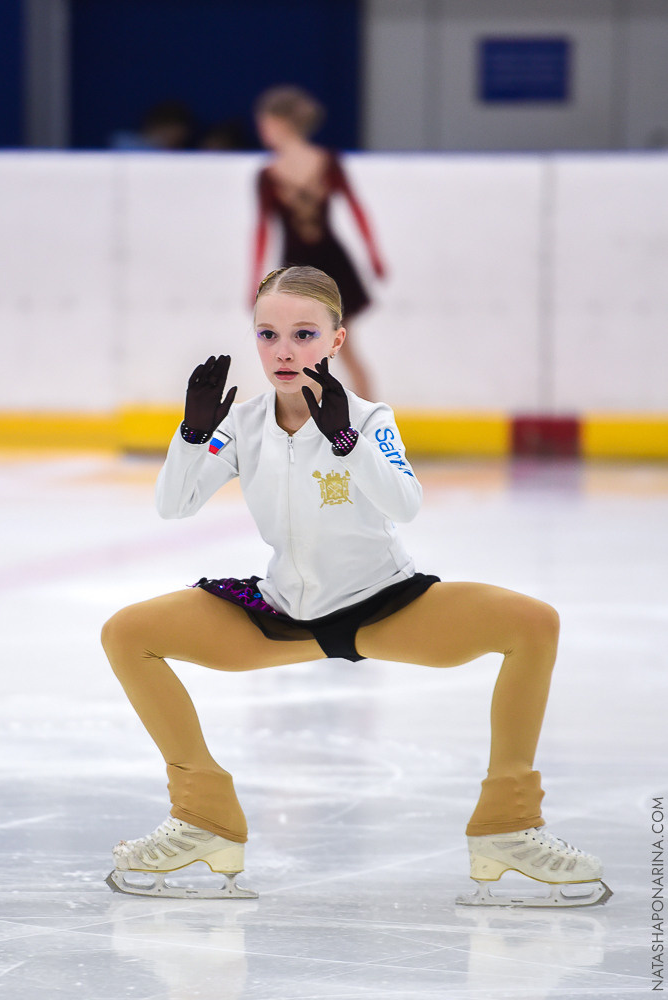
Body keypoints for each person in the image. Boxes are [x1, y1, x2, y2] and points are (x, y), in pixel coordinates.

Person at [101, 265, 610, 907]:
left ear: (337, 341)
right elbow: (174, 506)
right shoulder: (245, 424)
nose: (284, 351)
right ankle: (205, 818)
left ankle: (508, 828)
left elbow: (406, 505)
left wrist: (347, 441)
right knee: (127, 633)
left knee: (533, 623)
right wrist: (193, 435)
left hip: (386, 607)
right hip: (281, 612)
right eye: (267, 334)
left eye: (304, 334)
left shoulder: (369, 418)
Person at [251, 86, 385, 400]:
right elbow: (357, 210)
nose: (263, 131)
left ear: (280, 123)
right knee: (323, 349)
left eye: (265, 124)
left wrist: (253, 279)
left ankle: (366, 420)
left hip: (308, 266)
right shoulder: (279, 173)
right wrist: (373, 256)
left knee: (315, 348)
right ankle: (340, 419)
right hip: (316, 264)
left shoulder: (277, 174)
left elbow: (355, 209)